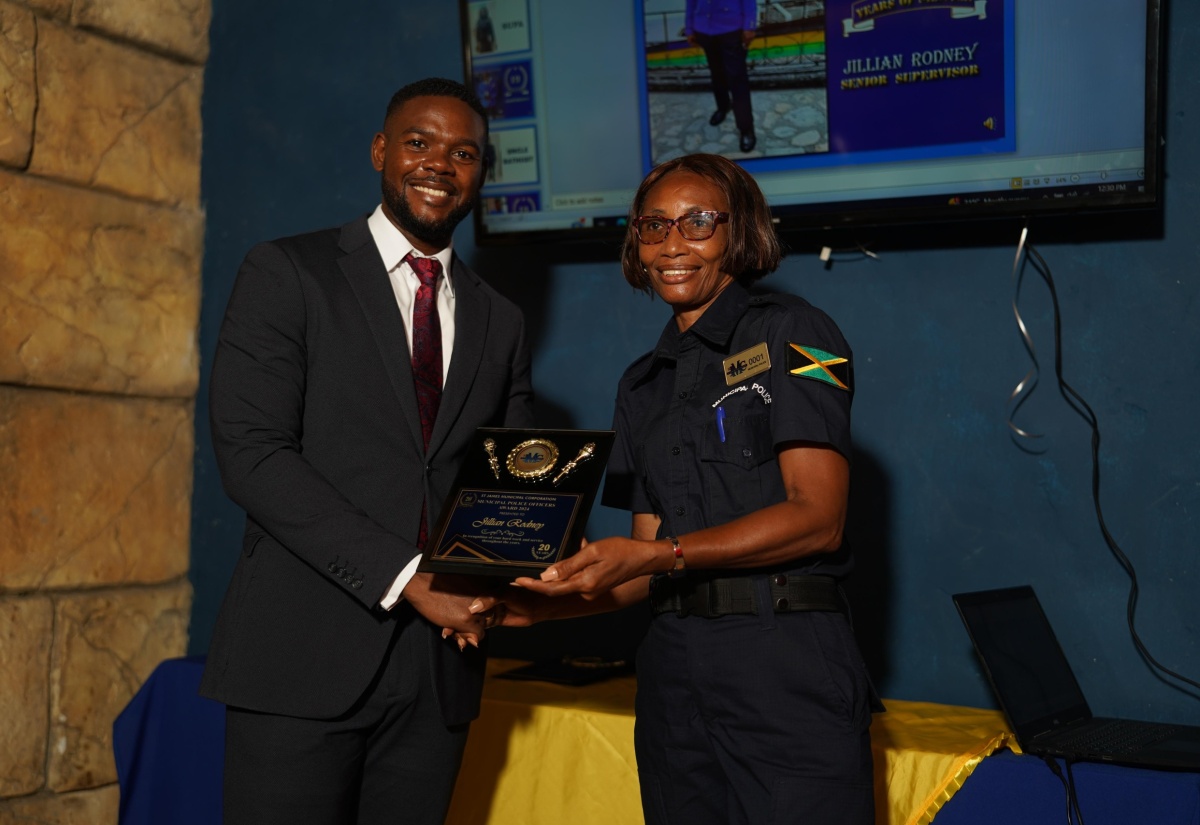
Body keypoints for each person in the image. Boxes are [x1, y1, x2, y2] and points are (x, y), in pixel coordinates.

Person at [509, 152, 880, 825]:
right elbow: (641, 561)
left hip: (782, 659)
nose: (673, 243)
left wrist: (657, 557)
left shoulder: (795, 334)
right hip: (672, 670)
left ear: (738, 233)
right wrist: (537, 609)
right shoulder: (640, 383)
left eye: (698, 222)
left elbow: (818, 517)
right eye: (655, 226)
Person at [200, 76, 532, 825]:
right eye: (419, 143)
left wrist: (504, 572)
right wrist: (410, 577)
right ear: (382, 150)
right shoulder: (286, 272)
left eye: (464, 152)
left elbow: (506, 480)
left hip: (441, 669)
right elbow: (252, 454)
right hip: (299, 661)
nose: (439, 165)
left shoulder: (501, 321)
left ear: (482, 172)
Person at [687, 0, 758, 153]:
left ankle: (746, 129)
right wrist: (690, 27)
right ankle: (723, 106)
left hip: (730, 28)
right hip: (704, 29)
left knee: (737, 80)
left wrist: (750, 25)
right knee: (716, 74)